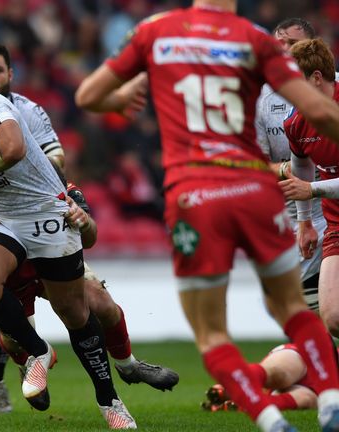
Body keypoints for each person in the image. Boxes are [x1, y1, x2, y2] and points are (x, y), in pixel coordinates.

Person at [75, 1, 339, 431]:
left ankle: (271, 420)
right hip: (255, 189)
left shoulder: (156, 31)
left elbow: (88, 96)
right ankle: (330, 401)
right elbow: (324, 114)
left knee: (212, 332)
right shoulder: (254, 38)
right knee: (294, 309)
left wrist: (121, 97)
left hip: (195, 193)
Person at [0, 47, 137, 429]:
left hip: (44, 211)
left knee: (75, 313)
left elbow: (13, 148)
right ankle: (38, 352)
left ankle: (109, 400)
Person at [0, 178, 180, 413]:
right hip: (16, 275)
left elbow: (90, 238)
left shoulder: (61, 189)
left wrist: (85, 222)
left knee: (103, 305)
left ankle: (128, 366)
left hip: (56, 264)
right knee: (14, 341)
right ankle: (25, 366)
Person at [255, 18, 325, 312]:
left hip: (331, 201)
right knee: (283, 304)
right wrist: (287, 169)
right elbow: (253, 167)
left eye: (293, 44)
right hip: (294, 211)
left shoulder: (331, 87)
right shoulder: (261, 100)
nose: (285, 51)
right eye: (279, 45)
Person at [281, 38, 339, 339]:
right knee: (334, 318)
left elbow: (308, 185)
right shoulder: (296, 121)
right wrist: (305, 222)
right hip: (337, 224)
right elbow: (301, 166)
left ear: (316, 78)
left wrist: (313, 190)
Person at [202, 342, 329, 412]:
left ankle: (243, 404)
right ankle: (237, 383)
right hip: (313, 358)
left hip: (319, 393)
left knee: (306, 399)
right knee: (280, 374)